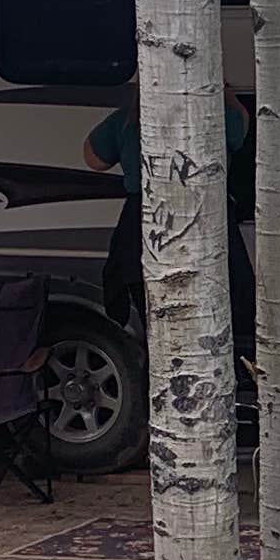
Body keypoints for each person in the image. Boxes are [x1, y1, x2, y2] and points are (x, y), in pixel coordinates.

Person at [84, 77, 257, 369]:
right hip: (203, 216)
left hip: (143, 221)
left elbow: (93, 159)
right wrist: (225, 93)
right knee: (222, 305)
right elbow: (240, 131)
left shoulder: (128, 120)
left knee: (157, 318)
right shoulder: (215, 117)